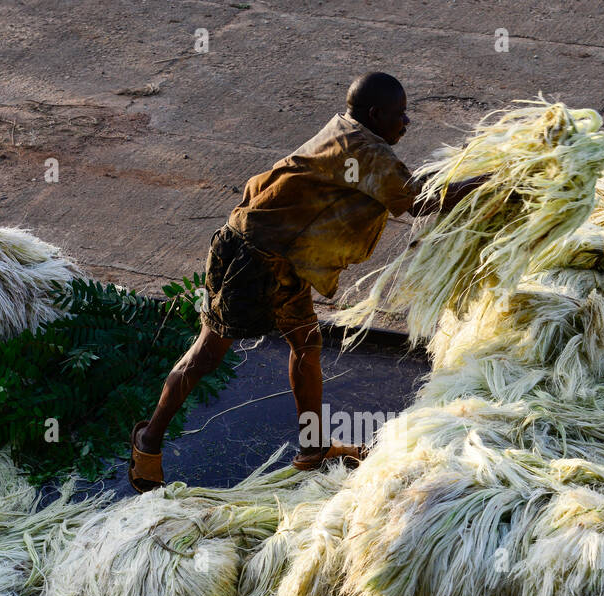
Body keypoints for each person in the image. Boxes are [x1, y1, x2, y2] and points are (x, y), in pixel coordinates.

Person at [128, 71, 485, 491]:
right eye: (401, 115)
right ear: (375, 114)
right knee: (207, 354)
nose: (407, 123)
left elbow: (407, 189)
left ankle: (313, 449)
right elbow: (422, 200)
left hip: (284, 262)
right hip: (252, 258)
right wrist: (493, 187)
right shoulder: (363, 150)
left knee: (306, 345)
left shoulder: (350, 132)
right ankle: (147, 443)